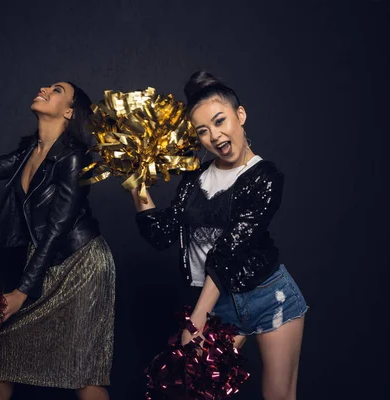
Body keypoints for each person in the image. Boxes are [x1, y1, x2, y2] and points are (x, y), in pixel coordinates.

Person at [0, 81, 115, 400]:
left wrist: (21, 292)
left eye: (57, 90)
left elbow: (57, 229)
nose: (45, 88)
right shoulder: (30, 150)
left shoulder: (73, 158)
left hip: (82, 264)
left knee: (84, 369)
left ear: (69, 111)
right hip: (46, 263)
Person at [132, 71, 308, 400]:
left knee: (279, 396)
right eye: (203, 130)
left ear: (239, 116)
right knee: (199, 391)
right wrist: (135, 182)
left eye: (220, 121)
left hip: (269, 296)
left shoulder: (265, 177)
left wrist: (197, 318)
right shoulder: (195, 178)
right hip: (220, 303)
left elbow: (230, 250)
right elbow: (161, 234)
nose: (215, 135)